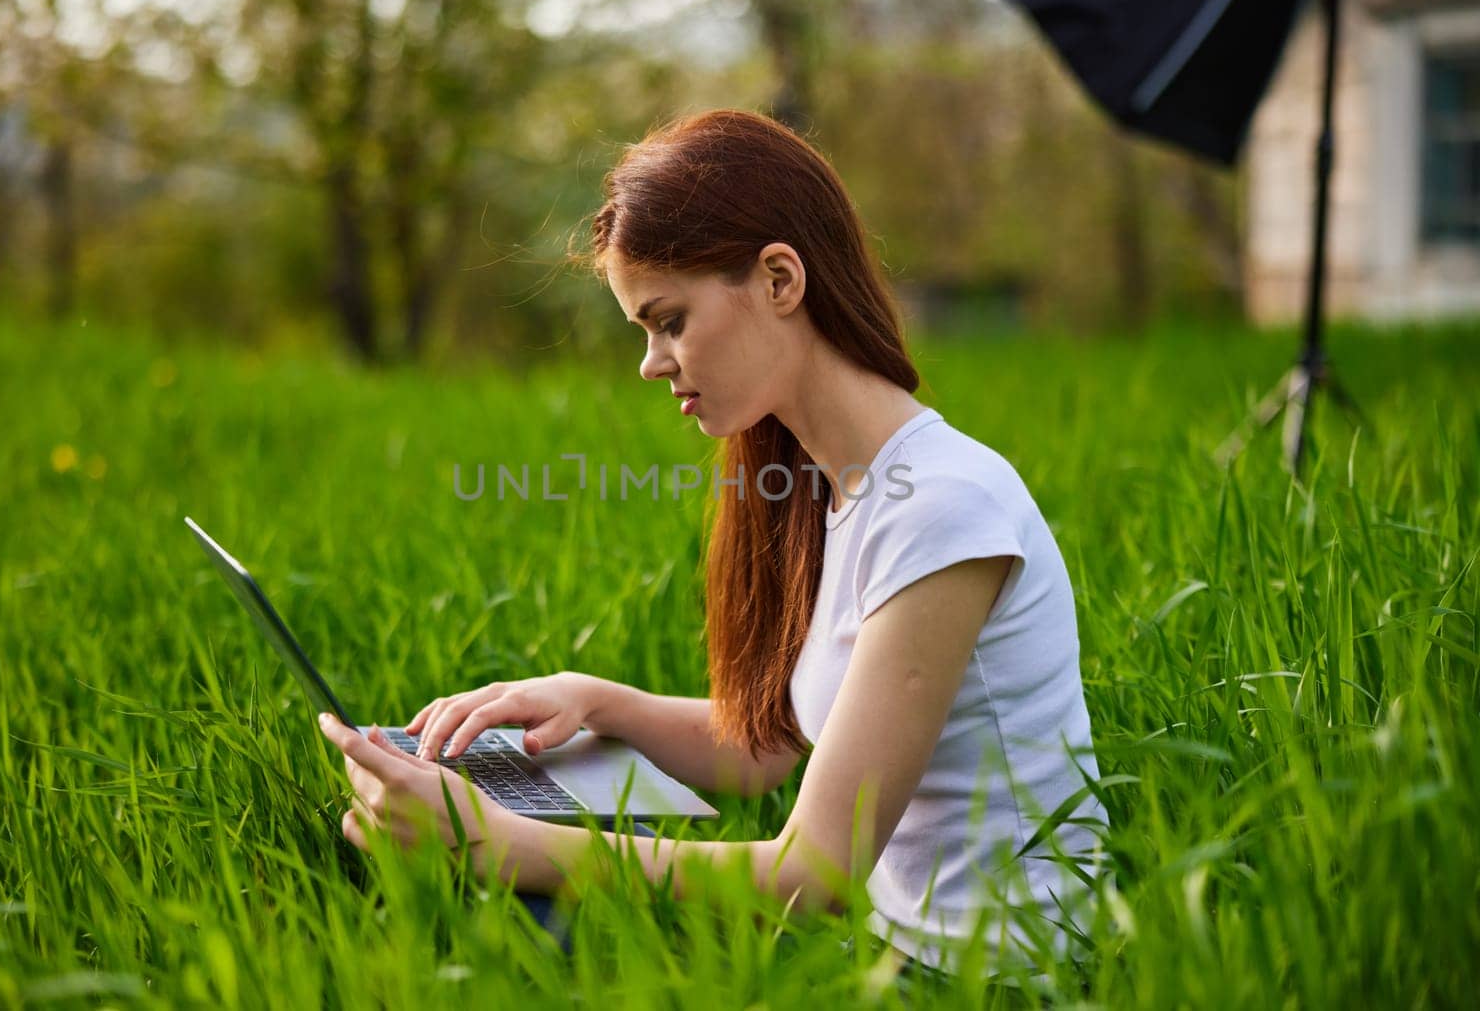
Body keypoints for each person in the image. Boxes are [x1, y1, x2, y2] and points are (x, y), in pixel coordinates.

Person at [317, 107, 1109, 979]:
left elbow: (814, 871)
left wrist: (505, 842)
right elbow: (766, 749)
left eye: (670, 321)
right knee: (528, 917)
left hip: (987, 983)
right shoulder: (823, 487)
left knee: (537, 907)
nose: (653, 362)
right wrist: (596, 700)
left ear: (779, 279)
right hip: (887, 959)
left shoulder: (942, 509)